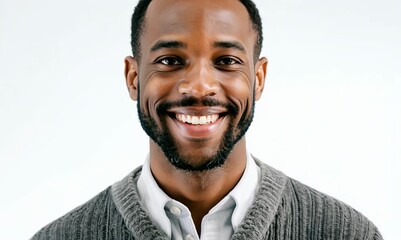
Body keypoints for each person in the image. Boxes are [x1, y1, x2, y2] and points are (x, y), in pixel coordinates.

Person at [31, 0, 382, 239]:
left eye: (226, 61)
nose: (199, 86)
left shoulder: (347, 234)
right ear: (133, 78)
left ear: (258, 79)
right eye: (170, 60)